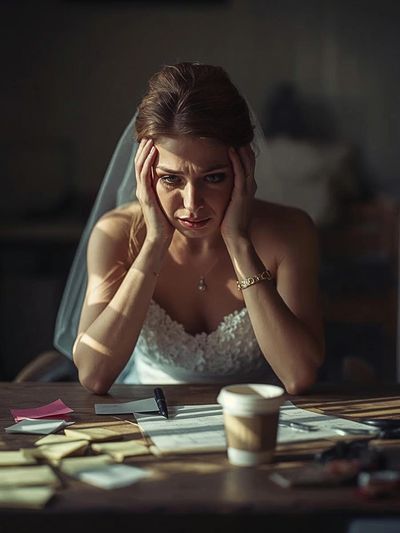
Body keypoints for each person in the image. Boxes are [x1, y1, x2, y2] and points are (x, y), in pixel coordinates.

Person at [56, 62, 325, 395]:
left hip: (254, 422)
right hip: (148, 422)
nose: (191, 203)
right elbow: (95, 376)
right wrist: (154, 243)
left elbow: (298, 376)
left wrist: (239, 243)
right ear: (145, 171)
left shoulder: (290, 233)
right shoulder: (116, 234)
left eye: (213, 177)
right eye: (171, 179)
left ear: (245, 167)